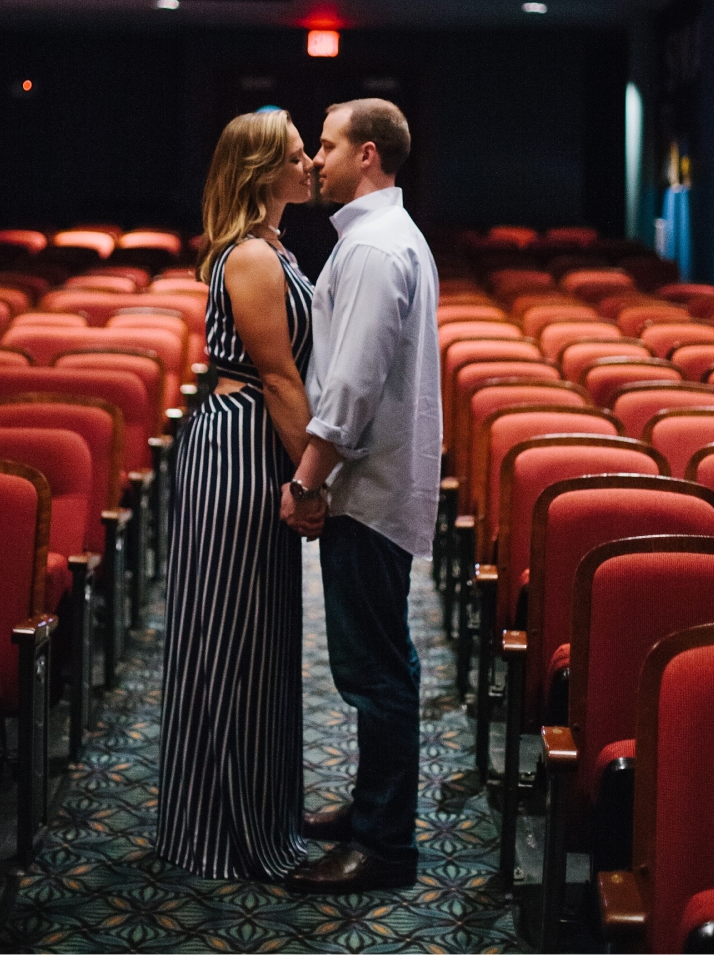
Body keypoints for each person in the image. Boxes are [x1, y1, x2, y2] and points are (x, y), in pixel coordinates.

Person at [281, 98, 442, 895]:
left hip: (368, 488)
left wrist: (308, 477)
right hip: (375, 483)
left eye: (327, 144)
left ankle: (384, 846)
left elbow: (351, 384)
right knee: (384, 666)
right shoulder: (378, 239)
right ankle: (374, 811)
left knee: (375, 674)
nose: (315, 158)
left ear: (368, 155)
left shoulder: (377, 249)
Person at [156, 108, 315, 880]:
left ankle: (254, 808)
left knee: (257, 633)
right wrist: (315, 482)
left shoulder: (273, 246)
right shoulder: (250, 257)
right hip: (239, 446)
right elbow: (280, 379)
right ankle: (222, 829)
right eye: (296, 154)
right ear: (262, 174)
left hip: (252, 439)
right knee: (231, 636)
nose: (312, 161)